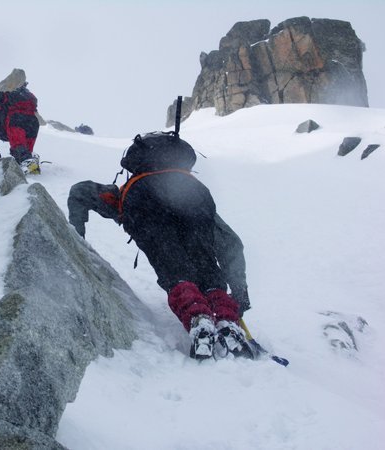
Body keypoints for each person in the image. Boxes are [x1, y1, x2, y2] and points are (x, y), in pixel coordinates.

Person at [67, 131, 253, 360]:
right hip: (193, 194)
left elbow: (80, 191)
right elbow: (230, 242)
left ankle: (199, 319)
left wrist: (75, 239)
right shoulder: (186, 181)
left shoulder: (125, 191)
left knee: (174, 270)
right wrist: (240, 290)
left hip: (141, 198)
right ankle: (227, 321)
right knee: (206, 268)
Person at [0, 83, 41, 174]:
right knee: (26, 149)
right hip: (33, 122)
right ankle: (31, 163)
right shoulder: (11, 106)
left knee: (18, 147)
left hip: (16, 121)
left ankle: (27, 161)